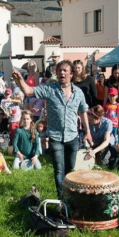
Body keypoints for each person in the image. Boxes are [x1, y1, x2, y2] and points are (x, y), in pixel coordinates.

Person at [13, 60, 92, 197]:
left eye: (65, 70)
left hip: (73, 137)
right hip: (55, 137)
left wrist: (88, 132)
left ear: (71, 74)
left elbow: (83, 111)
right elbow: (28, 90)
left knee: (70, 169)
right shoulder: (50, 89)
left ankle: (70, 197)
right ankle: (61, 198)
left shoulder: (78, 92)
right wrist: (19, 80)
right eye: (59, 70)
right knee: (59, 170)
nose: (61, 72)